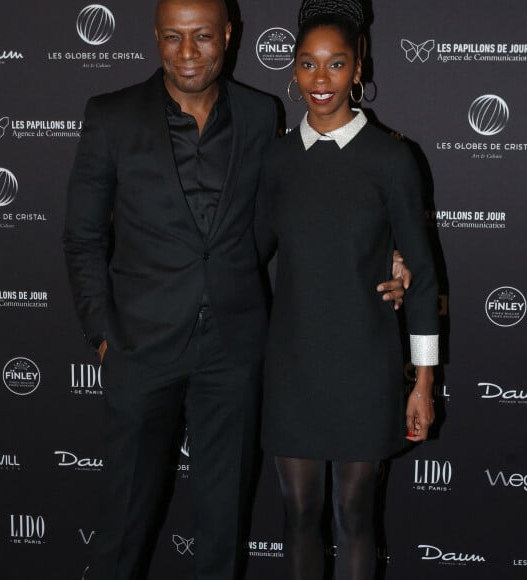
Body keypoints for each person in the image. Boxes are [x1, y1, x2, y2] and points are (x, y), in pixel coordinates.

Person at [63, 0, 410, 578]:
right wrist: (104, 336)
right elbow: (81, 240)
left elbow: (297, 211)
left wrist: (386, 255)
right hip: (142, 349)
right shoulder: (111, 116)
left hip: (234, 350)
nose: (188, 52)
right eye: (172, 37)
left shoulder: (258, 113)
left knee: (223, 525)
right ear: (155, 37)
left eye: (201, 35)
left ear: (227, 33)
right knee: (123, 523)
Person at [258, 1, 439, 579]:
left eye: (336, 64)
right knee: (298, 513)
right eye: (308, 64)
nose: (321, 80)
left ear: (358, 67)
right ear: (292, 70)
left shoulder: (392, 159)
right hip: (292, 367)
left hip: (366, 365)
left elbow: (425, 273)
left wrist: (424, 381)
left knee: (354, 514)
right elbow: (249, 251)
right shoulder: (277, 158)